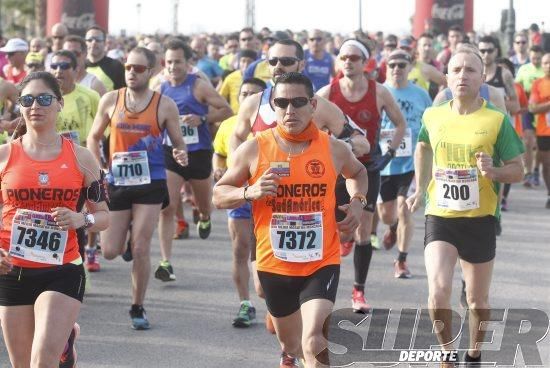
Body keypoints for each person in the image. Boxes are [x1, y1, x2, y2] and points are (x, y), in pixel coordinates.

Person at [213, 72, 368, 368]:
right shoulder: (254, 148)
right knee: (293, 345)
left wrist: (358, 203)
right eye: (281, 103)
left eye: (298, 102)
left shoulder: (334, 148)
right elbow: (218, 195)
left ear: (313, 105)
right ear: (273, 106)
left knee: (314, 341)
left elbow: (358, 173)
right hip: (275, 263)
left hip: (321, 261)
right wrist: (250, 191)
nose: (290, 110)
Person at [407, 47, 524, 366]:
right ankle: (447, 353)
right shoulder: (433, 115)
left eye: (471, 70)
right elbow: (422, 147)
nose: (463, 75)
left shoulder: (496, 120)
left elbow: (519, 168)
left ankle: (473, 353)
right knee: (438, 291)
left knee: (477, 300)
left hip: (480, 218)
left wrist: (495, 172)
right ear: (446, 77)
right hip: (441, 216)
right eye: (456, 70)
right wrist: (419, 189)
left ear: (482, 77)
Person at [0, 71, 109, 368]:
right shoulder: (4, 156)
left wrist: (79, 218)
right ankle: (67, 344)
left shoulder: (82, 158)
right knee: (21, 364)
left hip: (62, 269)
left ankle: (60, 345)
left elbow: (103, 217)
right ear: (20, 106)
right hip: (12, 270)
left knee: (42, 361)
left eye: (44, 98)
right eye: (27, 99)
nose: (35, 105)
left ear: (60, 104)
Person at [87, 47, 188, 330]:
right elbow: (93, 138)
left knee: (142, 247)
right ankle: (127, 237)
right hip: (117, 181)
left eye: (139, 68)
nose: (132, 72)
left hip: (151, 181)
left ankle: (137, 307)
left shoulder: (164, 105)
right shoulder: (111, 99)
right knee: (109, 251)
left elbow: (178, 141)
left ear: (152, 70)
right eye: (129, 67)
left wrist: (181, 153)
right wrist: (98, 168)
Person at [317, 39, 407, 314]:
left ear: (365, 61)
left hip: (367, 167)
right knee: (335, 228)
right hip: (335, 168)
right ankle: (324, 281)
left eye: (354, 57)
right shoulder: (327, 93)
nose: (348, 61)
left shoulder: (378, 92)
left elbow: (400, 123)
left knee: (364, 231)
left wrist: (389, 154)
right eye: (343, 56)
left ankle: (358, 291)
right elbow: (312, 127)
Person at [155, 39, 232, 281]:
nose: (173, 66)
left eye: (177, 61)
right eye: (169, 62)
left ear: (188, 63)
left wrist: (202, 119)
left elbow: (226, 110)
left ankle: (205, 217)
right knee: (167, 207)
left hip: (198, 152)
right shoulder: (160, 88)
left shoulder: (198, 86)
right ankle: (166, 261)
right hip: (171, 152)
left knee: (204, 204)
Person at [213, 77, 267, 327]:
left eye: (253, 94)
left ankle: (275, 303)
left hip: (268, 197)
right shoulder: (228, 125)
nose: (247, 97)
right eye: (243, 93)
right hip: (239, 194)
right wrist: (217, 170)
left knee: (263, 249)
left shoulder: (270, 124)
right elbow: (220, 154)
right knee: (241, 247)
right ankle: (244, 303)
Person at [377, 50, 432, 278]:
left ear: (410, 67)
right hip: (384, 161)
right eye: (392, 65)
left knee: (404, 209)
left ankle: (401, 259)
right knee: (386, 215)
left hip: (412, 162)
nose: (397, 69)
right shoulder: (379, 92)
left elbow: (430, 124)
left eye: (401, 65)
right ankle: (392, 227)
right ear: (386, 67)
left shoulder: (421, 95)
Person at [50, 50, 100, 146]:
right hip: (53, 155)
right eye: (54, 66)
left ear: (76, 69)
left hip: (84, 157)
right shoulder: (43, 99)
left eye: (64, 66)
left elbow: (105, 130)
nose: (58, 70)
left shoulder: (91, 96)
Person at [516, 46, 544, 187]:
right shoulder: (523, 69)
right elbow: (517, 87)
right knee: (527, 141)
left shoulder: (545, 68)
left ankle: (537, 169)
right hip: (527, 108)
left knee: (540, 143)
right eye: (533, 58)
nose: (536, 60)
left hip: (543, 110)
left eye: (538, 58)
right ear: (530, 56)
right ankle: (528, 173)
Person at [528, 52, 550, 209]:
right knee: (547, 165)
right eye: (545, 63)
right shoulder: (538, 84)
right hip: (544, 131)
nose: (548, 65)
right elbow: (533, 108)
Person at [85, 26, 125, 92]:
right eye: (90, 39)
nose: (93, 42)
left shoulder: (116, 66)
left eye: (98, 39)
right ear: (85, 42)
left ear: (104, 43)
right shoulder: (79, 67)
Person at [218, 49, 258, 114]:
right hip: (234, 116)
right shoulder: (230, 77)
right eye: (243, 61)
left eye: (249, 62)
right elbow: (221, 98)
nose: (246, 64)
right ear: (239, 62)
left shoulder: (259, 77)